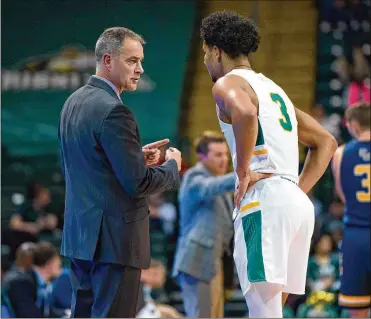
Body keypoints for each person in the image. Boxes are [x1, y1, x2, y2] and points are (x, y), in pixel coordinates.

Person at [200, 11, 338, 318]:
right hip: (295, 205)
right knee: (272, 310)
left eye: (206, 54)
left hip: (264, 202)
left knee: (263, 311)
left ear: (216, 50)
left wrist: (241, 173)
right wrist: (296, 190)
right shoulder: (277, 91)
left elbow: (246, 114)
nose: (206, 62)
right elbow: (326, 142)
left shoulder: (226, 84)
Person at [58, 27, 181, 318]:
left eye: (140, 62)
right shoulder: (115, 111)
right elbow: (138, 183)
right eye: (132, 61)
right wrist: (172, 167)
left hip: (81, 238)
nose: (139, 69)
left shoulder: (72, 102)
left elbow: (90, 166)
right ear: (108, 60)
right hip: (114, 242)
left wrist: (134, 158)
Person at [172, 131, 237, 317]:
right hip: (197, 261)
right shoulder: (194, 177)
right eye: (218, 154)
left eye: (225, 154)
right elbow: (211, 187)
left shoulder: (219, 182)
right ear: (201, 156)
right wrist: (244, 173)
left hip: (213, 262)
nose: (224, 159)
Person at [332, 103, 370, 318]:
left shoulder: (341, 153)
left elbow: (345, 196)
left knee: (357, 309)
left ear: (353, 125)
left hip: (356, 234)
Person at [3, 241, 61, 318]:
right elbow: (28, 315)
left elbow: (46, 312)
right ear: (50, 263)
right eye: (58, 261)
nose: (60, 264)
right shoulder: (21, 282)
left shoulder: (40, 281)